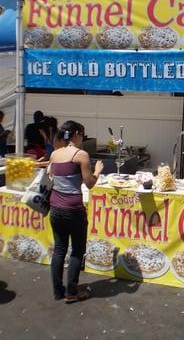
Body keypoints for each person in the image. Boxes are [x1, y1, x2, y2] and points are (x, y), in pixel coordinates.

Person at [48, 120, 103, 303]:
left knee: (59, 250)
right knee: (77, 251)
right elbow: (90, 183)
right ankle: (71, 292)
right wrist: (97, 171)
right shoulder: (81, 155)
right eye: (82, 135)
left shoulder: (55, 154)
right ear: (76, 134)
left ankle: (58, 291)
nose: (83, 139)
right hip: (73, 210)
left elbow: (50, 175)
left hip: (55, 208)